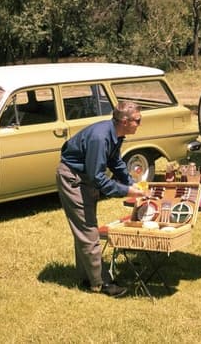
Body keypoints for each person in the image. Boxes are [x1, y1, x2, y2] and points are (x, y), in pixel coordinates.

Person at [56, 101, 147, 297]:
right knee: (88, 230)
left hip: (85, 178)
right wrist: (126, 191)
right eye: (138, 120)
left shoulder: (115, 133)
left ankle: (86, 276)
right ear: (124, 121)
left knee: (85, 229)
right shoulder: (100, 138)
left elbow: (114, 161)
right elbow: (97, 177)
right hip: (74, 179)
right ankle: (101, 284)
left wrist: (130, 182)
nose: (140, 124)